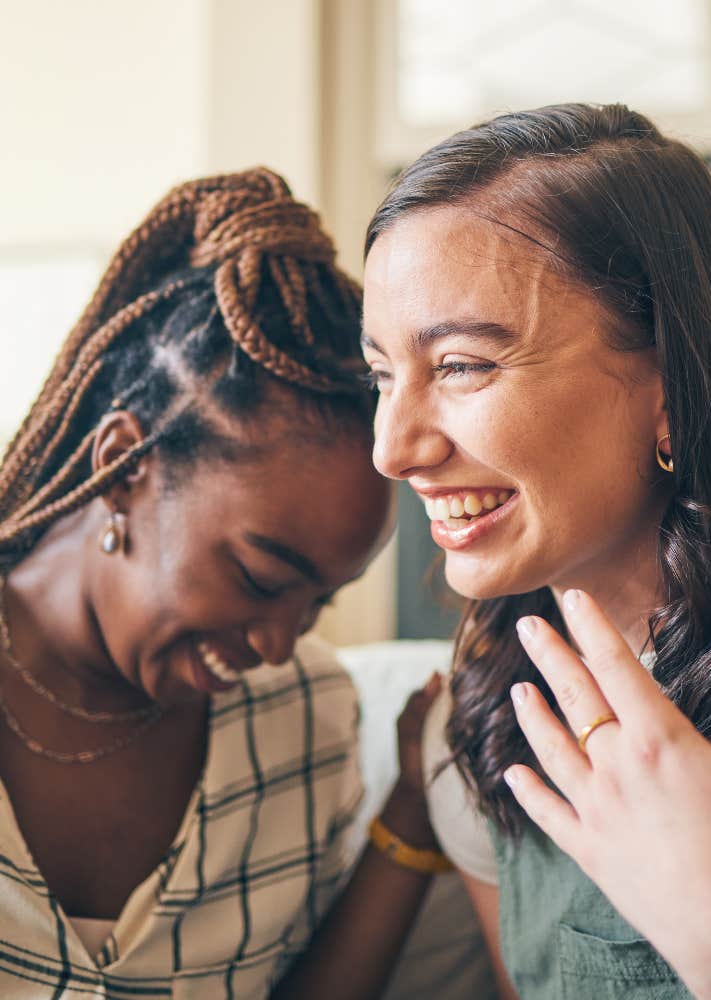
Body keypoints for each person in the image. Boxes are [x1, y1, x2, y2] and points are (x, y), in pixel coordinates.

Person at [360, 102, 711, 998]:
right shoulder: (478, 722)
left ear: (681, 378)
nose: (393, 448)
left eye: (463, 364)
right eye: (382, 376)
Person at [0, 167, 449, 999]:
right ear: (123, 466)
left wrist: (413, 816)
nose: (280, 644)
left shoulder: (307, 719)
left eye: (319, 604)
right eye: (259, 576)